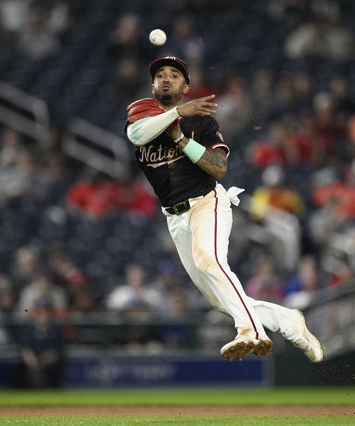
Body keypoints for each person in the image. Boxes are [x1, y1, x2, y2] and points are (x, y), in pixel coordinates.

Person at [124, 56, 323, 362]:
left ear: (186, 85)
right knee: (221, 301)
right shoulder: (142, 118)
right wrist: (177, 114)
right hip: (174, 218)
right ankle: (288, 322)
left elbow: (219, 168)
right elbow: (136, 135)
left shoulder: (201, 122)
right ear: (152, 85)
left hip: (207, 203)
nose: (165, 78)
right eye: (160, 75)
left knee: (208, 260)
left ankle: (250, 330)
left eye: (174, 75)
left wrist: (180, 137)